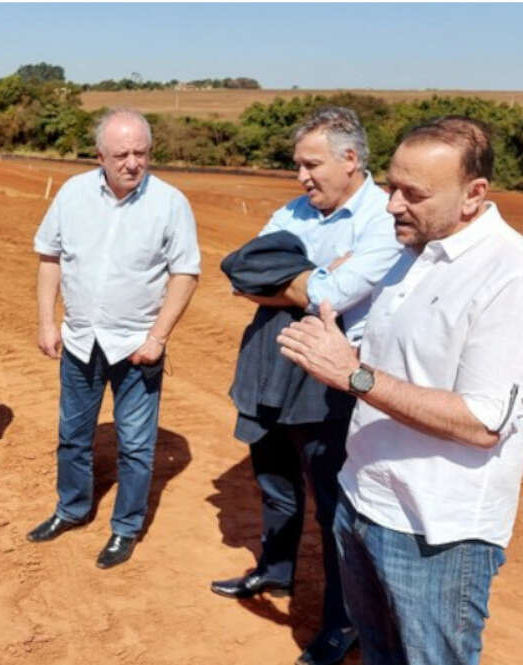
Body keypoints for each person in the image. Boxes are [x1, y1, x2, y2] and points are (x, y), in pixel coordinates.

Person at [279, 117, 523, 665]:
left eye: (413, 194)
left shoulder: (509, 275)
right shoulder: (411, 250)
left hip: (436, 533)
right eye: (392, 186)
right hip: (363, 502)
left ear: (474, 195)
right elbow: (400, 361)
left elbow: (483, 424)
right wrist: (344, 357)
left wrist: (355, 376)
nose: (391, 205)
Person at [210, 107, 401, 665]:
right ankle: (275, 572)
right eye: (297, 165)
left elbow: (338, 295)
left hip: (332, 377)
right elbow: (241, 271)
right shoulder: (294, 210)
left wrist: (295, 277)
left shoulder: (381, 216)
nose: (301, 178)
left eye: (310, 164)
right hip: (270, 365)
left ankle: (345, 622)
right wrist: (318, 273)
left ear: (350, 159)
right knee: (273, 481)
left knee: (335, 506)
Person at [26, 108, 200, 569]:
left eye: (140, 153)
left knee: (137, 446)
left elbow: (185, 273)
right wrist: (47, 322)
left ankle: (125, 528)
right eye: (121, 153)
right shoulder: (72, 193)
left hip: (137, 348)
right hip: (81, 342)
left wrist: (158, 338)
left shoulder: (170, 202)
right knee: (72, 435)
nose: (132, 163)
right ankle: (72, 509)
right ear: (100, 154)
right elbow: (51, 258)